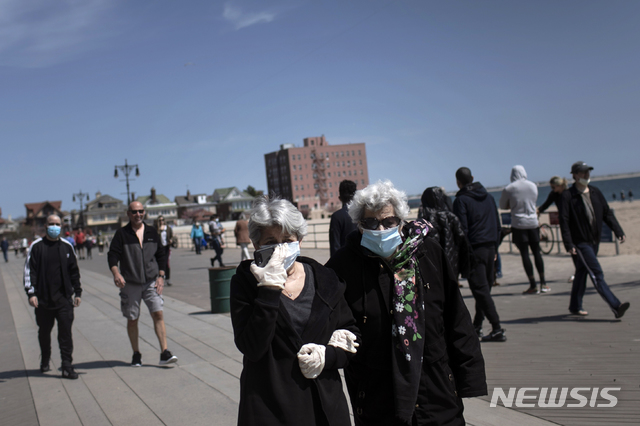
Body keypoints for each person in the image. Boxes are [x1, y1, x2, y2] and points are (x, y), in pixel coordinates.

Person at [326, 180, 487, 426]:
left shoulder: (430, 253)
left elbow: (457, 318)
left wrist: (469, 377)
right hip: (377, 397)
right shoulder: (343, 265)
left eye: (388, 221)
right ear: (359, 225)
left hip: (436, 389)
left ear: (400, 221)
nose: (380, 228)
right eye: (370, 222)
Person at [230, 196, 360, 426]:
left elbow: (351, 334)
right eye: (271, 241)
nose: (281, 249)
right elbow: (252, 347)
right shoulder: (245, 283)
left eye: (287, 240)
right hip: (269, 407)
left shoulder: (327, 280)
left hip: (323, 406)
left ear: (299, 241)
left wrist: (327, 356)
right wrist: (268, 291)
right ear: (257, 245)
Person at [108, 201, 178, 366]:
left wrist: (161, 276)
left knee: (158, 314)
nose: (138, 214)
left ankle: (164, 353)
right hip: (130, 283)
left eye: (140, 211)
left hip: (151, 281)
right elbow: (112, 255)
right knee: (132, 318)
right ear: (128, 214)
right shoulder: (122, 234)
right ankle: (136, 354)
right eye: (134, 212)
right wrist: (116, 273)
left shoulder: (152, 232)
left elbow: (161, 255)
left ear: (144, 212)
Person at [559, 161, 630, 318]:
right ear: (575, 175)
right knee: (597, 273)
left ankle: (575, 306)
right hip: (580, 242)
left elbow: (607, 214)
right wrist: (569, 244)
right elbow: (563, 220)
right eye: (583, 172)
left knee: (581, 273)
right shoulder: (568, 196)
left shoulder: (595, 192)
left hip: (594, 241)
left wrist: (618, 231)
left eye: (588, 172)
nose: (586, 175)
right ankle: (616, 306)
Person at [24, 215, 82, 379]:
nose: (54, 227)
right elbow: (30, 272)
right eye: (51, 224)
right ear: (45, 225)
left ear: (61, 226)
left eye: (57, 224)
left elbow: (74, 271)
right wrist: (31, 293)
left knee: (65, 334)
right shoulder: (36, 247)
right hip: (43, 300)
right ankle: (45, 357)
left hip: (64, 299)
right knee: (44, 332)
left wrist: (77, 292)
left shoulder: (67, 247)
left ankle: (67, 365)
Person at [453, 167, 506, 341]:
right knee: (484, 290)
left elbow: (462, 231)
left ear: (458, 182)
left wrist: (462, 255)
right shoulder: (489, 197)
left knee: (481, 291)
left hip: (474, 250)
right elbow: (498, 226)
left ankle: (497, 327)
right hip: (491, 248)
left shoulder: (461, 200)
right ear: (473, 178)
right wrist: (496, 248)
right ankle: (477, 325)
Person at [500, 165, 549, 294]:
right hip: (533, 222)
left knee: (525, 254)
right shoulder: (532, 185)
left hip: (519, 224)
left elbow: (502, 205)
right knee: (537, 252)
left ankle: (533, 284)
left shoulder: (509, 188)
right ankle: (543, 283)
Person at [418, 186, 472, 285]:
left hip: (431, 266)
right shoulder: (451, 217)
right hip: (452, 262)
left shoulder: (423, 221)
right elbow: (462, 241)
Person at [329, 180, 358, 256]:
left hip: (344, 262)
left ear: (340, 198)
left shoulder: (337, 216)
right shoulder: (363, 214)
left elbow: (335, 245)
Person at [155, 216, 173, 286]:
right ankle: (160, 278)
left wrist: (171, 240)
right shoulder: (156, 229)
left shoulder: (168, 228)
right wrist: (158, 230)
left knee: (166, 263)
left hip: (166, 247)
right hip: (159, 249)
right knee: (159, 263)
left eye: (162, 220)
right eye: (159, 220)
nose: (161, 221)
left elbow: (171, 236)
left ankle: (168, 278)